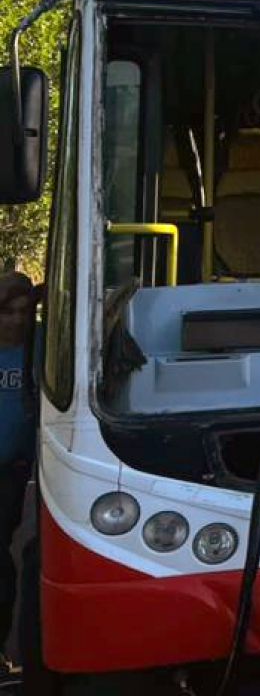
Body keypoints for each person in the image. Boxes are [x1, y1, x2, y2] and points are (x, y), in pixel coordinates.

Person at [0, 271, 37, 665]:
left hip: (17, 468)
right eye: (7, 312)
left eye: (24, 312)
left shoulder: (42, 346)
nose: (16, 321)